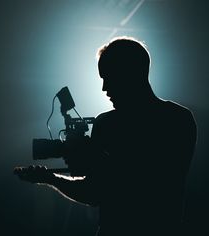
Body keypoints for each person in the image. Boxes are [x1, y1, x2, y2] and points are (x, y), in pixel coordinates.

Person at [14, 36, 197, 236]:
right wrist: (51, 177)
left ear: (130, 73)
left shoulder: (111, 124)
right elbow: (98, 189)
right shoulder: (180, 119)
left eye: (108, 77)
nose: (104, 88)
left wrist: (88, 160)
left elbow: (135, 186)